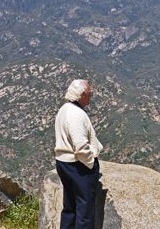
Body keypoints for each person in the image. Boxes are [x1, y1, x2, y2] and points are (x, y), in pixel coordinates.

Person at [54, 79, 103, 229]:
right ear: (82, 94)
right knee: (85, 210)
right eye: (89, 94)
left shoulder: (64, 109)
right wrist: (91, 165)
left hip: (63, 162)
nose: (90, 96)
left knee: (70, 206)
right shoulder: (76, 114)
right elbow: (81, 146)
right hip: (77, 166)